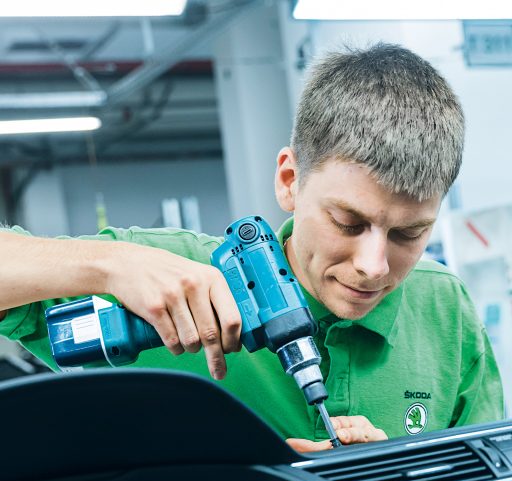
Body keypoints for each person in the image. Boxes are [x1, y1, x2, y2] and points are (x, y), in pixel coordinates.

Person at [0, 44, 504, 452]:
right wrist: (109, 265)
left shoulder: (444, 310)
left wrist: (388, 473)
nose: (373, 268)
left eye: (408, 234)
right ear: (289, 180)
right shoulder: (176, 273)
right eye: (348, 222)